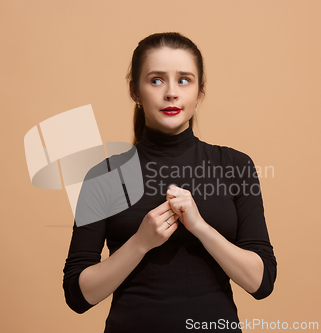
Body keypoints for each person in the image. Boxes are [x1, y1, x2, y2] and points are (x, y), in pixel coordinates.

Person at [63, 32, 277, 333]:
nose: (171, 93)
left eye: (184, 80)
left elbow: (262, 282)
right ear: (134, 91)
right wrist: (140, 243)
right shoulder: (105, 176)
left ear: (200, 92)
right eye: (156, 80)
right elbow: (77, 295)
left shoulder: (235, 166)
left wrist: (200, 227)